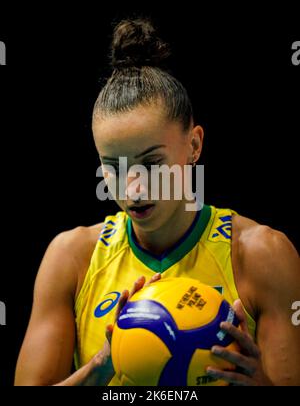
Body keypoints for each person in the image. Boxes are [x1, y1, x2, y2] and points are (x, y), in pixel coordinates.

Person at [15, 19, 300, 386]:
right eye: (113, 167)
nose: (133, 187)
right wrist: (101, 366)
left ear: (194, 145)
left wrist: (257, 382)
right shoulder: (72, 258)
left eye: (151, 163)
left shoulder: (263, 256)